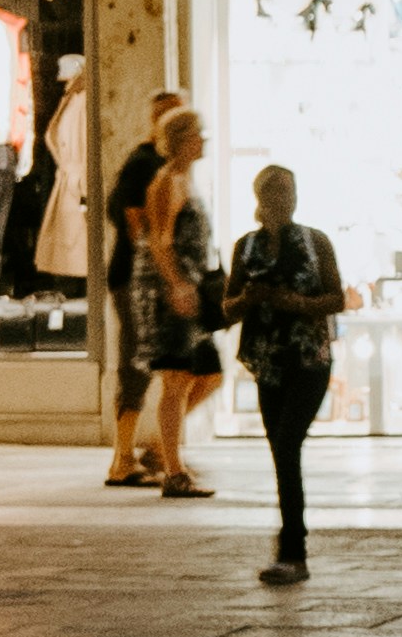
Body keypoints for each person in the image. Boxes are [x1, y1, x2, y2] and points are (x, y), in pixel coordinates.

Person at [228, 165, 348, 583]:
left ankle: (293, 548)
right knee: (281, 448)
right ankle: (291, 548)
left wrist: (293, 302)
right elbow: (227, 307)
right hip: (268, 362)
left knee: (286, 441)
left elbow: (337, 297)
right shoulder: (246, 247)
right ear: (260, 197)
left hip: (309, 358)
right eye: (276, 192)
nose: (285, 200)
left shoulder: (315, 242)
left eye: (290, 192)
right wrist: (248, 297)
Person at [100, 87, 191, 484]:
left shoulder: (173, 168)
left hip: (160, 281)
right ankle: (124, 457)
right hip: (137, 279)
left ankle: (158, 449)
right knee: (137, 363)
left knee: (190, 369)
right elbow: (138, 222)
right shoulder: (144, 164)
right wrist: (164, 275)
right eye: (164, 115)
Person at [140, 114, 227, 500]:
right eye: (197, 134)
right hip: (173, 294)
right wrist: (176, 285)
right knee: (176, 380)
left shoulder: (186, 180)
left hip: (191, 289)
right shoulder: (165, 182)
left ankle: (163, 449)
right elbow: (159, 240)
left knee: (209, 375)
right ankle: (173, 471)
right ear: (181, 140)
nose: (204, 140)